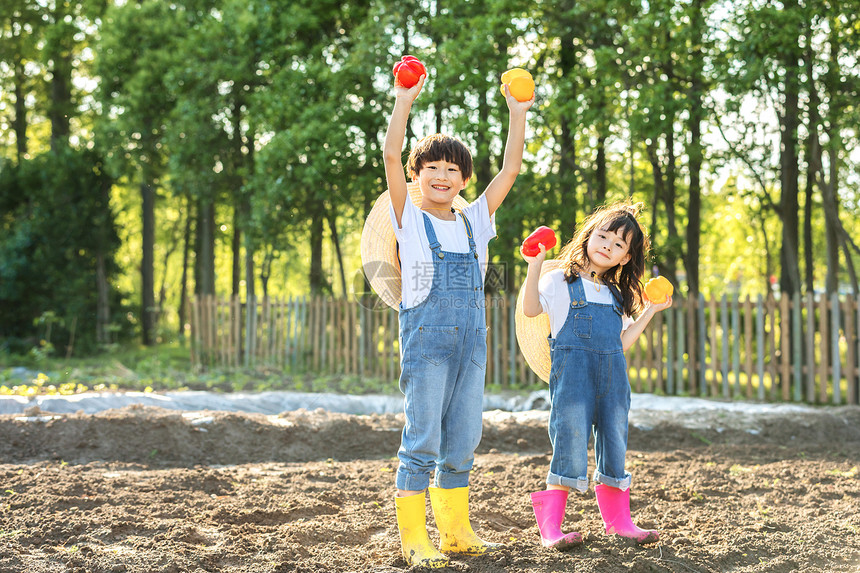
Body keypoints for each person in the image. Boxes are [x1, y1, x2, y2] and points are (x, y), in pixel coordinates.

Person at [382, 72, 533, 567]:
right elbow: (388, 156)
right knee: (422, 438)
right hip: (427, 344)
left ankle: (456, 530)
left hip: (471, 344)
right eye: (432, 168)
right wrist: (404, 100)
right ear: (416, 174)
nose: (442, 176)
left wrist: (517, 112)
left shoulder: (474, 222)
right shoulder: (409, 219)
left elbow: (510, 169)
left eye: (452, 169)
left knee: (464, 439)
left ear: (464, 180)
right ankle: (413, 539)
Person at [520, 202, 672, 550]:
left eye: (619, 244)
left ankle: (619, 523)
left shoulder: (618, 294)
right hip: (573, 377)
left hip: (613, 377)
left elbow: (622, 341)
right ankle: (551, 527)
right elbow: (530, 309)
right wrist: (534, 266)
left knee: (615, 441)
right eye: (603, 236)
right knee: (570, 439)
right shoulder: (559, 280)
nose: (608, 245)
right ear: (589, 237)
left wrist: (650, 310)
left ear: (624, 258)